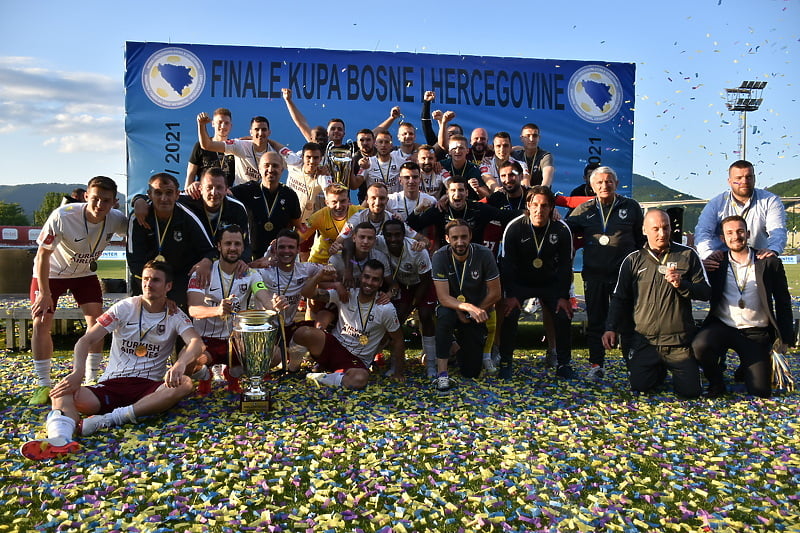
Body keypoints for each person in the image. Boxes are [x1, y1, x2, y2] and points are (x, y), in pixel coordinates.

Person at [21, 261, 204, 460]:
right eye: (145, 279)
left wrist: (179, 364)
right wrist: (77, 373)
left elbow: (196, 343)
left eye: (156, 280)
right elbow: (85, 340)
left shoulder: (174, 313)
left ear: (168, 286)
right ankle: (60, 439)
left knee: (184, 384)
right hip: (113, 384)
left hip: (148, 388)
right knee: (62, 391)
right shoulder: (125, 307)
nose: (148, 284)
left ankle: (109, 419)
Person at [28, 176, 128, 405]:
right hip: (51, 273)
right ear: (86, 197)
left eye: (106, 200)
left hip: (84, 274)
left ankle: (92, 378)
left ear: (114, 202)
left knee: (97, 323)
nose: (99, 205)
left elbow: (138, 230)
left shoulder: (116, 219)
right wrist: (44, 293)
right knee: (41, 322)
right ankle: (43, 383)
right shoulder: (63, 215)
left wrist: (140, 209)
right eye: (95, 199)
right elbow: (42, 255)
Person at [602, 209, 710, 398]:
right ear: (645, 230)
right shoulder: (632, 260)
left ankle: (677, 369)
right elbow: (620, 298)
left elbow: (705, 292)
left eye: (666, 228)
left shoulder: (687, 254)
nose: (662, 233)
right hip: (646, 341)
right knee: (640, 386)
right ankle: (657, 369)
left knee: (691, 392)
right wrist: (611, 327)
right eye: (656, 229)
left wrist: (682, 284)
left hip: (678, 342)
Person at [692, 216, 795, 398]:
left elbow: (783, 301)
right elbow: (696, 285)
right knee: (699, 345)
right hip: (723, 326)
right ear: (723, 239)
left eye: (740, 231)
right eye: (729, 233)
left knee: (761, 391)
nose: (736, 237)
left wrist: (785, 338)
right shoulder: (716, 263)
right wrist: (703, 266)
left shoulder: (767, 261)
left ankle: (746, 368)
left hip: (756, 331)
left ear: (747, 234)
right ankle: (717, 383)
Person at [565, 166, 645, 381]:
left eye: (608, 181)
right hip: (595, 274)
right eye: (599, 183)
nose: (604, 185)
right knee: (596, 321)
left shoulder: (631, 207)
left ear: (616, 184)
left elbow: (640, 240)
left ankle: (632, 364)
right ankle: (596, 364)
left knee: (628, 321)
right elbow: (564, 229)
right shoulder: (584, 210)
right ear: (592, 187)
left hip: (625, 276)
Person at [499, 186, 575, 379]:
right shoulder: (515, 227)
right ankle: (506, 361)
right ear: (528, 205)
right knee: (509, 312)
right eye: (535, 205)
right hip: (521, 282)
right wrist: (510, 295)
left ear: (551, 208)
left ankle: (563, 363)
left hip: (550, 283)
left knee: (563, 314)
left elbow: (566, 266)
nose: (539, 210)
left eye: (544, 206)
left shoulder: (561, 228)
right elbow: (507, 264)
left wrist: (563, 296)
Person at [187, 225, 273, 395]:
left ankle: (234, 373)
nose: (233, 248)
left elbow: (264, 296)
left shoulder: (251, 274)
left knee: (273, 355)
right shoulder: (202, 273)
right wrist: (217, 311)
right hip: (207, 339)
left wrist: (274, 303)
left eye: (237, 244)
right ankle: (205, 375)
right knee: (189, 364)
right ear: (219, 246)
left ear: (242, 247)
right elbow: (193, 309)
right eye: (228, 243)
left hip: (236, 340)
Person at [294, 260, 405, 389]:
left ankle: (319, 377)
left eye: (375, 279)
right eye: (367, 277)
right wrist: (320, 277)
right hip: (334, 346)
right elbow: (306, 293)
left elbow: (398, 340)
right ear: (361, 277)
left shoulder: (386, 309)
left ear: (380, 283)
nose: (369, 282)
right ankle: (293, 369)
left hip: (356, 361)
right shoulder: (347, 293)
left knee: (360, 379)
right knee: (302, 332)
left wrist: (398, 372)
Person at [431, 220, 501, 391]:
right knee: (445, 316)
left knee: (471, 372)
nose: (460, 242)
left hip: (477, 311)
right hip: (452, 307)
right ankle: (442, 373)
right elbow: (443, 297)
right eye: (455, 238)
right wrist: (466, 307)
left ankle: (457, 348)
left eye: (464, 237)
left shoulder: (484, 254)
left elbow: (495, 293)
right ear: (447, 238)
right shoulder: (440, 256)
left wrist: (472, 311)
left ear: (470, 236)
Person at [127, 173, 215, 309]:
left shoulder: (188, 217)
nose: (164, 198)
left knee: (176, 319)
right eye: (158, 193)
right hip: (145, 280)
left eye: (169, 193)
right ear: (149, 195)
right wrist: (155, 290)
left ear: (177, 195)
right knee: (140, 317)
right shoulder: (138, 217)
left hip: (177, 280)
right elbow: (134, 262)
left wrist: (207, 261)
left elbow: (210, 250)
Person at [695, 160, 787, 271]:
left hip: (758, 260)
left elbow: (777, 230)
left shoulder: (770, 201)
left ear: (754, 178)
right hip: (721, 263)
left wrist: (773, 250)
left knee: (773, 264)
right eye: (738, 178)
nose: (744, 181)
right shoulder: (715, 204)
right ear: (729, 181)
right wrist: (708, 254)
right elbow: (703, 231)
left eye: (748, 177)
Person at [381, 219, 438, 377]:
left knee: (426, 315)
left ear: (404, 235)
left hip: (422, 284)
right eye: (389, 235)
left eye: (397, 235)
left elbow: (426, 280)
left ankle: (431, 364)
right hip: (402, 285)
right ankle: (395, 363)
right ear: (383, 236)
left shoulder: (417, 250)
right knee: (396, 318)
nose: (393, 239)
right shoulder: (379, 242)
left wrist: (413, 304)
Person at [230, 152, 303, 260]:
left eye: (275, 166)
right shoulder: (247, 190)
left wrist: (289, 245)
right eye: (266, 165)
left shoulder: (289, 195)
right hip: (250, 258)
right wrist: (197, 185)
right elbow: (224, 193)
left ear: (282, 170)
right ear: (259, 168)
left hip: (279, 259)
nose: (270, 169)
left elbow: (298, 227)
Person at [407, 178, 511, 252]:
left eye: (461, 190)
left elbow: (504, 216)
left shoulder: (478, 208)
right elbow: (413, 225)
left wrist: (526, 214)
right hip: (447, 257)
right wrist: (418, 209)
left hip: (475, 255)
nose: (457, 194)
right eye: (453, 190)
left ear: (467, 193)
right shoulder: (439, 210)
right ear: (447, 193)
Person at [177, 167, 252, 263]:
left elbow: (246, 244)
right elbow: (164, 199)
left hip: (225, 264)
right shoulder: (187, 201)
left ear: (226, 190)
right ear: (200, 188)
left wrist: (242, 261)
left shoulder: (237, 208)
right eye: (209, 187)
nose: (214, 192)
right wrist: (150, 205)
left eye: (219, 187)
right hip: (193, 262)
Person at [197, 112, 275, 185]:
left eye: (264, 130)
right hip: (241, 195)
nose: (260, 133)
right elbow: (207, 145)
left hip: (265, 195)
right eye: (257, 129)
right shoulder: (239, 145)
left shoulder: (275, 153)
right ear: (251, 132)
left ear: (269, 132)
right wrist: (201, 125)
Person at [302, 183, 364, 265]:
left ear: (348, 200)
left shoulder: (360, 213)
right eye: (334, 202)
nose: (339, 206)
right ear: (327, 203)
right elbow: (298, 237)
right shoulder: (319, 216)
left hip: (349, 261)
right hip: (320, 261)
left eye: (343, 201)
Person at [185, 107, 235, 190]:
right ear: (213, 124)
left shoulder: (235, 146)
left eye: (226, 123)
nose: (223, 126)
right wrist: (186, 194)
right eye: (220, 122)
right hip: (203, 194)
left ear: (231, 126)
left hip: (227, 196)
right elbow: (191, 173)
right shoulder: (200, 145)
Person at [354, 130, 410, 194]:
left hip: (396, 202)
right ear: (375, 144)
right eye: (380, 142)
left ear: (391, 145)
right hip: (376, 201)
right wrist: (351, 163)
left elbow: (412, 147)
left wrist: (416, 153)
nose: (383, 145)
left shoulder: (400, 160)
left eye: (386, 142)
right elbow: (355, 185)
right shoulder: (368, 162)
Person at [438, 134, 489, 200]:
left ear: (467, 150)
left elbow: (487, 195)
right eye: (454, 148)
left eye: (461, 148)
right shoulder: (441, 165)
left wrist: (478, 188)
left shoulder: (474, 169)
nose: (457, 151)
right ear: (449, 151)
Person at [512, 123, 554, 188]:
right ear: (522, 138)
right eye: (528, 136)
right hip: (520, 194)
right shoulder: (515, 155)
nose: (531, 139)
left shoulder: (545, 156)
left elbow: (547, 176)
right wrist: (513, 149)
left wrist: (543, 189)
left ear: (539, 138)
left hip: (539, 194)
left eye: (535, 136)